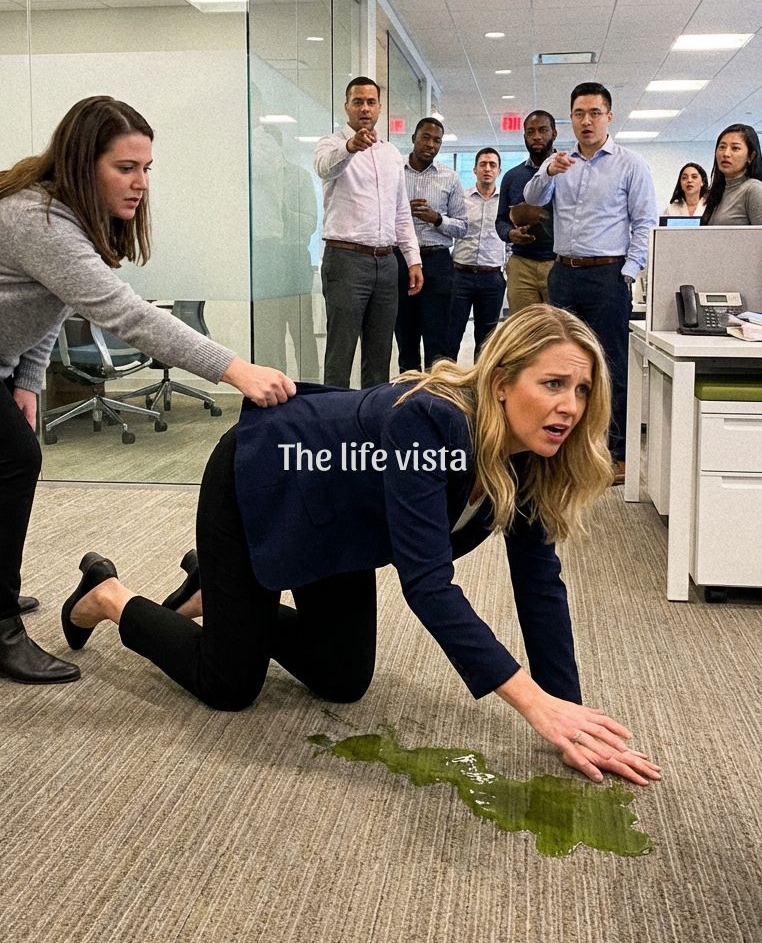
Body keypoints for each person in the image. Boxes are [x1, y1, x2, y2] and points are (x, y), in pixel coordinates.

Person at [61, 306, 661, 788]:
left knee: (343, 678)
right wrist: (532, 704)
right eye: (553, 383)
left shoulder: (530, 456)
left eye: (582, 390)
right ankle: (110, 594)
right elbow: (428, 586)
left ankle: (218, 585)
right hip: (264, 479)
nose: (570, 406)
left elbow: (538, 586)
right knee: (229, 684)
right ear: (502, 382)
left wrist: (569, 714)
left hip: (340, 520)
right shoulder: (430, 422)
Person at [0, 95, 295, 686]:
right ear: (83, 164)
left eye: (146, 168)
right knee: (15, 458)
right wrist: (234, 368)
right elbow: (125, 314)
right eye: (125, 168)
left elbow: (51, 304)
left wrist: (27, 379)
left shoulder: (66, 217)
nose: (141, 183)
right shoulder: (40, 220)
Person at [524, 82, 657, 486]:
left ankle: (616, 453)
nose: (587, 121)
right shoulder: (560, 163)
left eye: (595, 113)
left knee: (610, 366)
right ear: (571, 118)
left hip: (607, 275)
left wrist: (628, 272)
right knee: (559, 363)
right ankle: (564, 449)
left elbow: (645, 223)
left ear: (609, 117)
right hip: (564, 273)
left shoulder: (630, 165)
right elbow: (532, 199)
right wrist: (548, 170)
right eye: (579, 113)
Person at [315, 78, 422, 388]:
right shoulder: (331, 144)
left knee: (380, 354)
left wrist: (413, 259)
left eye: (370, 102)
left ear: (379, 108)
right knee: (341, 351)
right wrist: (350, 147)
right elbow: (325, 167)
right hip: (346, 260)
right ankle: (334, 414)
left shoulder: (391, 154)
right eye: (358, 102)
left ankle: (372, 413)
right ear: (346, 106)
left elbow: (401, 211)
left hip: (386, 263)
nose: (365, 108)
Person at [395, 117, 467, 372]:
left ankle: (436, 392)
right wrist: (402, 212)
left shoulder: (450, 177)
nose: (430, 144)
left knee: (438, 340)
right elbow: (378, 217)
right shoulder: (394, 171)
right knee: (405, 337)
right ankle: (408, 391)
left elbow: (463, 227)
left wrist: (437, 219)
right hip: (401, 261)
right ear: (413, 138)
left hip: (438, 263)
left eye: (437, 140)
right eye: (425, 137)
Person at [447, 148, 506, 360]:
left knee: (486, 342)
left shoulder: (505, 202)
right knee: (450, 335)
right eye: (483, 164)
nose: (487, 169)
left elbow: (510, 236)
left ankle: (480, 380)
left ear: (499, 171)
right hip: (460, 275)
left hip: (492, 278)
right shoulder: (461, 199)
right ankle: (446, 379)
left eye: (492, 165)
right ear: (474, 170)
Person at [495, 111, 557, 314]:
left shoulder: (567, 172)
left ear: (554, 133)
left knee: (558, 327)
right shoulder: (512, 177)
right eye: (530, 132)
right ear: (524, 137)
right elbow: (501, 220)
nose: (536, 136)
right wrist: (510, 234)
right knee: (524, 327)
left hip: (558, 264)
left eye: (542, 130)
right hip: (521, 265)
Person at [700, 125, 762, 227]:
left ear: (751, 156)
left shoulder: (753, 189)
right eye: (722, 147)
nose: (726, 154)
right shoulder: (719, 190)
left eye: (735, 148)